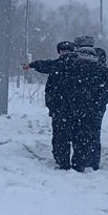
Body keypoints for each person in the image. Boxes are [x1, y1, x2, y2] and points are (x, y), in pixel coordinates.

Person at [23, 41, 77, 169]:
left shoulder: (59, 65)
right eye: (62, 51)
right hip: (70, 107)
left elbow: (46, 65)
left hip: (62, 107)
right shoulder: (76, 65)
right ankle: (74, 162)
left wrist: (32, 65)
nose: (64, 53)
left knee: (61, 136)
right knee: (72, 136)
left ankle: (63, 161)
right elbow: (46, 65)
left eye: (66, 51)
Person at [66, 44, 108, 171]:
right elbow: (106, 92)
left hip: (85, 109)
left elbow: (106, 92)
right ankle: (89, 162)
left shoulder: (77, 70)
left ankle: (81, 162)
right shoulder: (101, 71)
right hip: (89, 109)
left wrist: (92, 104)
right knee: (89, 135)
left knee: (82, 135)